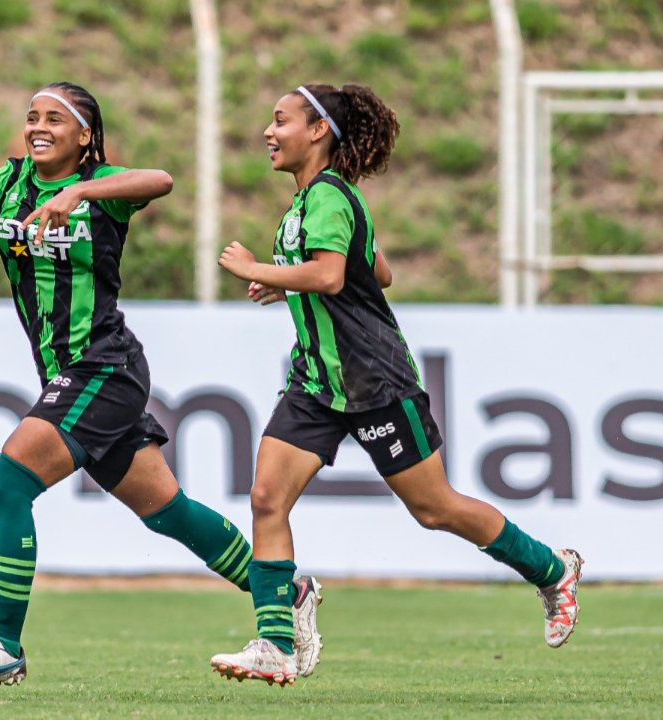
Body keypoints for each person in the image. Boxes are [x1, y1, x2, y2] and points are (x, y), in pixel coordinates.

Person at [0, 81, 322, 685]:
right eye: (31, 117)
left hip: (104, 367)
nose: (38, 127)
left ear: (85, 135)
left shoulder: (105, 192)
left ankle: (4, 648)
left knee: (8, 487)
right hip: (71, 374)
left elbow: (161, 179)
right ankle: (288, 589)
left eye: (54, 119)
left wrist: (80, 190)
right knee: (168, 514)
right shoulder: (7, 182)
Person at [209, 83, 582, 686]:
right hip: (316, 382)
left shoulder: (328, 196)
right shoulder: (310, 203)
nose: (268, 133)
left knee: (435, 509)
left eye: (280, 121)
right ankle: (277, 642)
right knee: (266, 499)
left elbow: (333, 275)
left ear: (318, 131)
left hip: (376, 382)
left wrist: (262, 269)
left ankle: (551, 569)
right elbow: (376, 270)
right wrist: (288, 283)